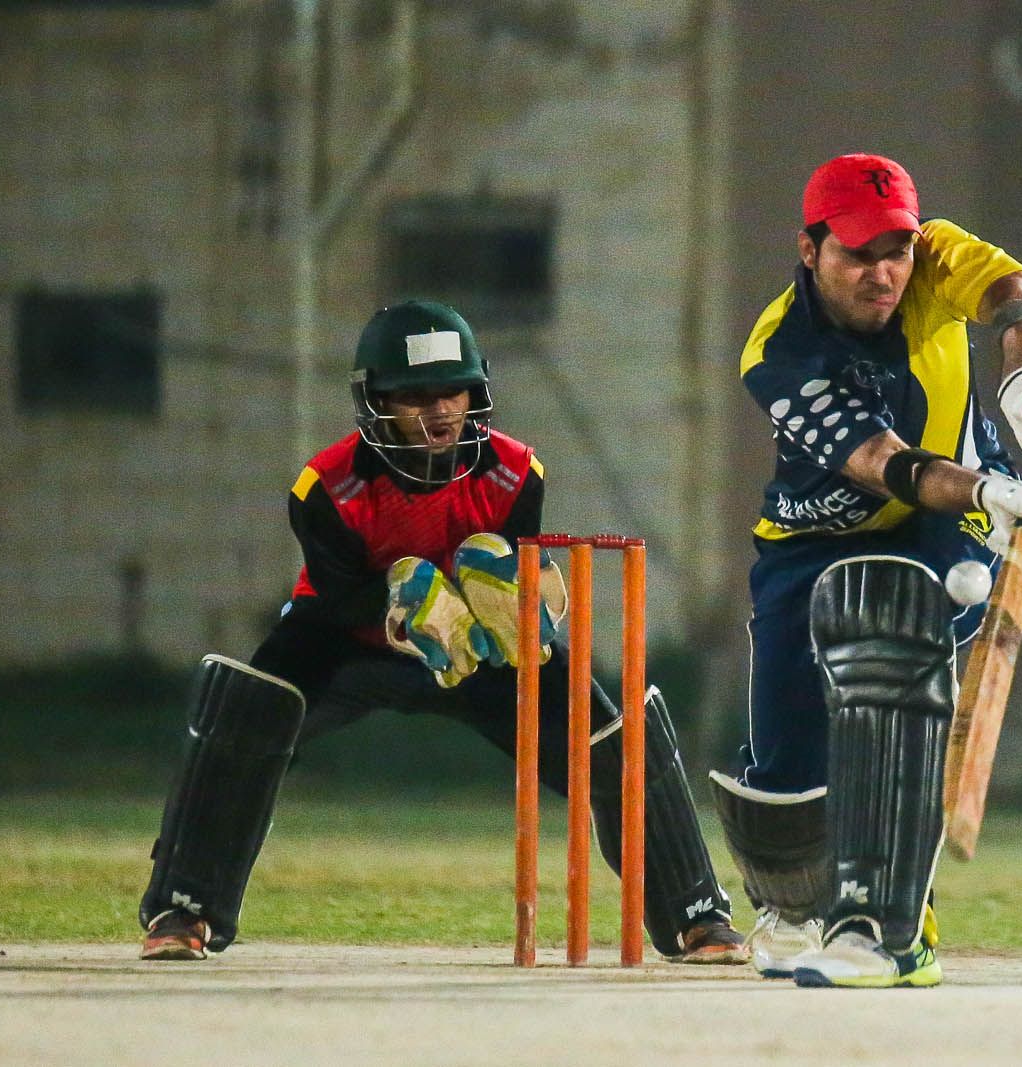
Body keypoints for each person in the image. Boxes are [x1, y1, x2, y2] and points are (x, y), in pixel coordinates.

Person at [138, 299, 747, 964]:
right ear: (377, 402)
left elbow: (517, 573)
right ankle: (183, 909)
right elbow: (337, 599)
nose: (439, 412)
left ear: (474, 391)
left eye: (452, 392)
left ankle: (698, 916)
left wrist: (523, 608)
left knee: (606, 735)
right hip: (347, 640)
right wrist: (407, 603)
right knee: (246, 709)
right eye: (415, 396)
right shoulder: (326, 486)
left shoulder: (516, 472)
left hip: (476, 650)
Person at [708, 153, 1022, 988]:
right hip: (817, 533)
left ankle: (890, 924)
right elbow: (884, 463)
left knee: (889, 634)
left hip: (943, 526)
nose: (883, 272)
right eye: (858, 253)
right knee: (783, 761)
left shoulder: (937, 254)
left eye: (896, 250)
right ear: (809, 249)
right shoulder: (779, 350)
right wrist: (999, 491)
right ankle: (794, 904)